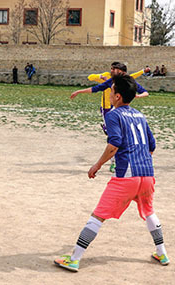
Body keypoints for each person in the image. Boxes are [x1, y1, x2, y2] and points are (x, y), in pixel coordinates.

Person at [54, 74, 168, 272]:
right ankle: (162, 252)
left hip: (127, 177)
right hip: (147, 175)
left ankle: (74, 259)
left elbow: (114, 144)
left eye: (112, 90)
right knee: (149, 211)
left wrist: (97, 165)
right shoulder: (140, 115)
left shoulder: (113, 115)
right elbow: (152, 146)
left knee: (97, 216)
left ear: (117, 96)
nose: (109, 93)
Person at [72, 62, 148, 173]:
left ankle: (121, 160)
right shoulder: (111, 80)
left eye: (114, 69)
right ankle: (115, 162)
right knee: (115, 137)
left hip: (119, 110)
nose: (111, 71)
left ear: (121, 72)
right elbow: (96, 88)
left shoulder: (129, 81)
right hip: (108, 110)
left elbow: (145, 92)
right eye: (111, 69)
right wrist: (79, 91)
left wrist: (138, 96)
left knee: (118, 137)